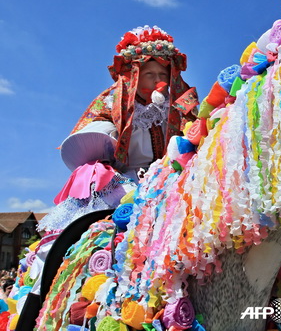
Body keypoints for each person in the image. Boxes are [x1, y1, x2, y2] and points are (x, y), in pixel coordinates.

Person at [38, 25, 198, 232]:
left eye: (163, 74)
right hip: (126, 182)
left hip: (173, 177)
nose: (158, 80)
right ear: (134, 76)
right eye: (150, 74)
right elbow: (93, 140)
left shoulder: (180, 104)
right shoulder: (114, 104)